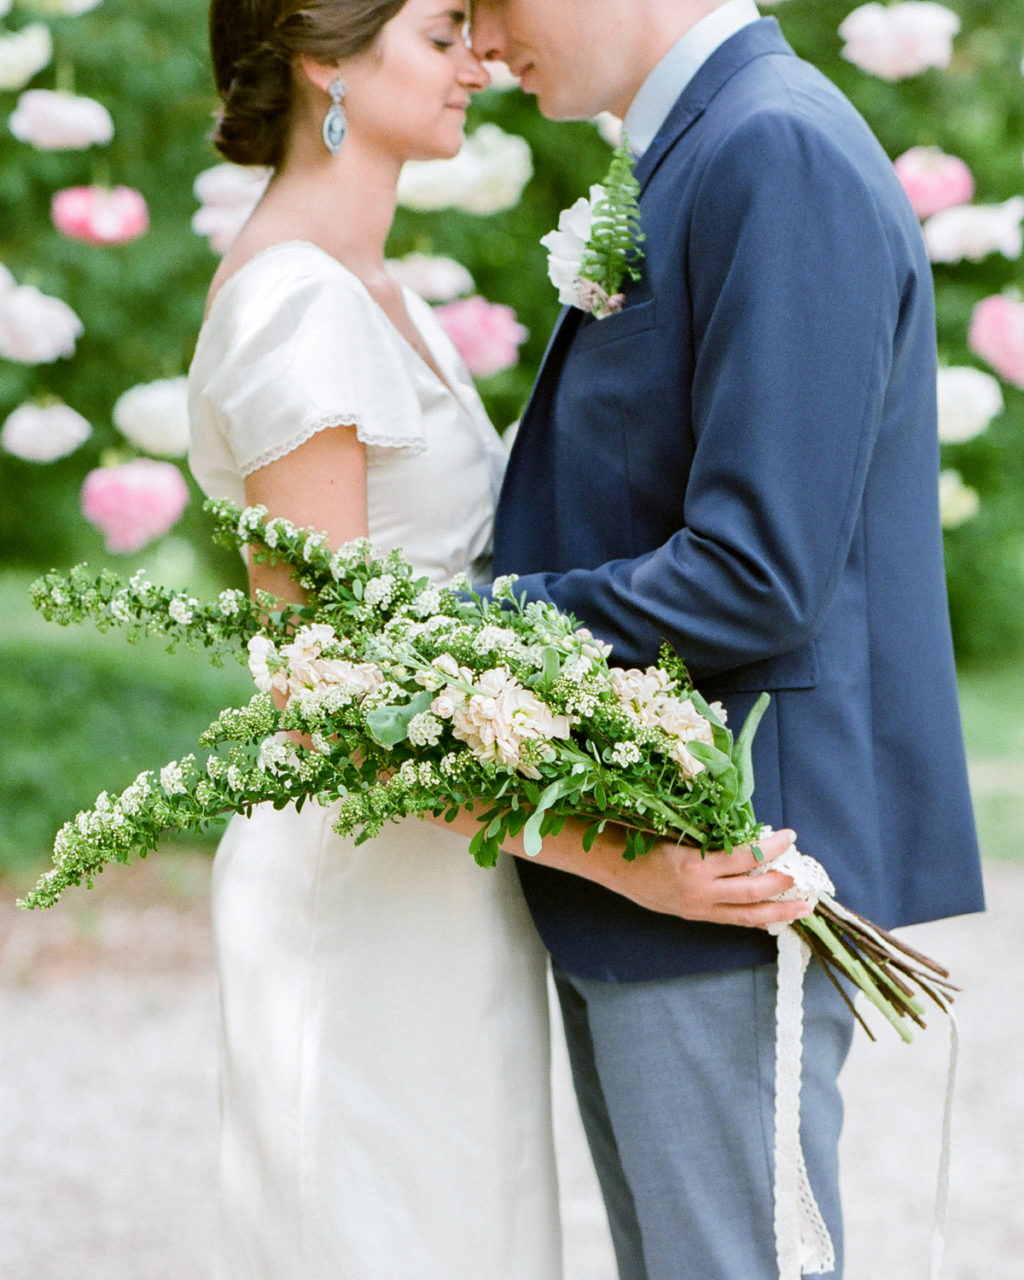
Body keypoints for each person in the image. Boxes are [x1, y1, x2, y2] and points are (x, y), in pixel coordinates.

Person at [187, 1, 807, 1276]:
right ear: (323, 60)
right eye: (438, 33)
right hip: (357, 899)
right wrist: (624, 860)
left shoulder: (374, 287)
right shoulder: (296, 307)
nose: (480, 60)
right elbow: (332, 708)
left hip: (448, 883)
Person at [469, 1, 985, 1278]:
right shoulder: (701, 145)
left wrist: (472, 634)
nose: (476, 39)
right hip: (654, 860)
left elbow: (757, 570)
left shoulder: (774, 146)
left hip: (732, 856)